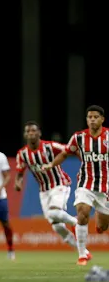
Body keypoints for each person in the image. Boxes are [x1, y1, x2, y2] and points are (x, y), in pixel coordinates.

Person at [43, 105, 109, 265]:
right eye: (89, 117)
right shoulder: (79, 137)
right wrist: (51, 165)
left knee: (102, 227)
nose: (92, 119)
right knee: (82, 212)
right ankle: (82, 255)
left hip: (105, 187)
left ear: (102, 119)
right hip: (85, 183)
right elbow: (65, 152)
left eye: (95, 117)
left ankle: (99, 221)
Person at [15, 121, 91, 260]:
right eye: (28, 131)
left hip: (59, 184)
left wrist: (85, 163)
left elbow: (70, 149)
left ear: (39, 133)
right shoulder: (22, 154)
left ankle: (76, 223)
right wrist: (18, 183)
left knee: (54, 211)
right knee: (57, 228)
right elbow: (20, 172)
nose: (31, 133)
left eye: (33, 130)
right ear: (25, 134)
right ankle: (84, 251)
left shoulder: (50, 146)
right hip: (43, 191)